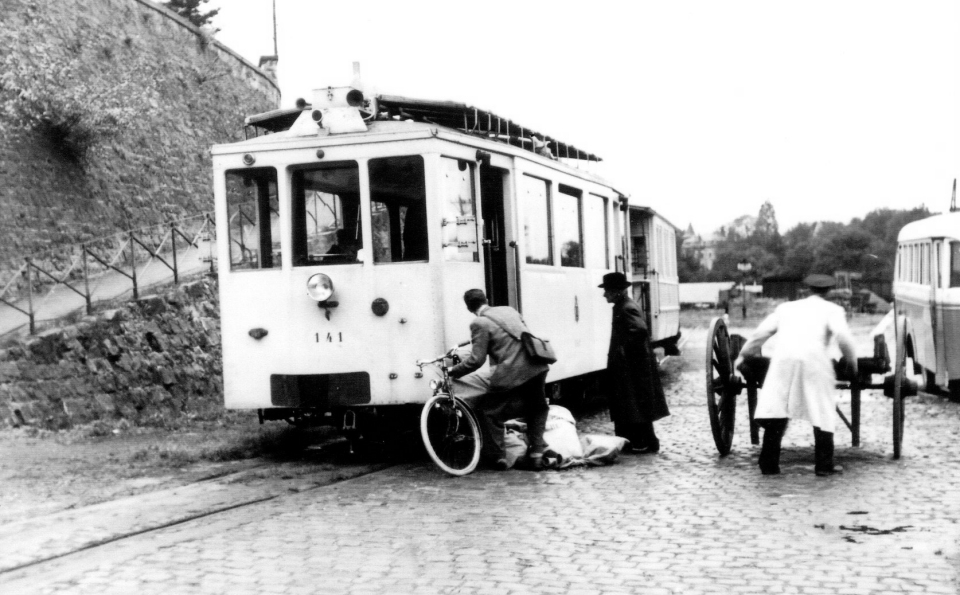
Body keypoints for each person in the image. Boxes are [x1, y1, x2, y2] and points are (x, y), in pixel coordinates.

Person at [734, 274, 857, 477]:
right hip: (815, 362)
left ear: (807, 289)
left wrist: (743, 354)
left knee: (778, 409)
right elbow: (843, 337)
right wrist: (852, 363)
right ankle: (824, 465)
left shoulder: (786, 308)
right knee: (822, 410)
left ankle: (768, 464)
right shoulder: (833, 310)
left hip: (784, 361)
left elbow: (760, 333)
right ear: (828, 291)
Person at [448, 289, 550, 470]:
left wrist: (453, 371)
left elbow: (476, 360)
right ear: (486, 299)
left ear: (468, 307)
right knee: (537, 408)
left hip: (513, 371)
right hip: (537, 365)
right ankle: (536, 455)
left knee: (490, 412)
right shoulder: (509, 311)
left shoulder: (478, 323)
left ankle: (498, 458)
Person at [598, 272, 670, 453]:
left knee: (633, 404)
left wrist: (623, 352)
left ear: (617, 291)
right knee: (635, 404)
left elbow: (639, 330)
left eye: (607, 290)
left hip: (631, 367)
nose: (604, 294)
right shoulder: (624, 305)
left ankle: (638, 442)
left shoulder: (625, 308)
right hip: (631, 365)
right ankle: (641, 441)